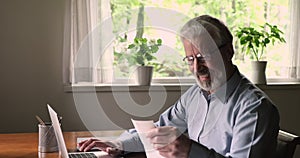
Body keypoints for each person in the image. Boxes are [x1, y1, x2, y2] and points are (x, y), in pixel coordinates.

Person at [78, 15, 280, 158]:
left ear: (228, 52)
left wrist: (191, 152)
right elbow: (157, 132)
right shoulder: (194, 96)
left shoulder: (255, 108)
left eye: (204, 57)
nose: (196, 67)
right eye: (190, 59)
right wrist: (118, 144)